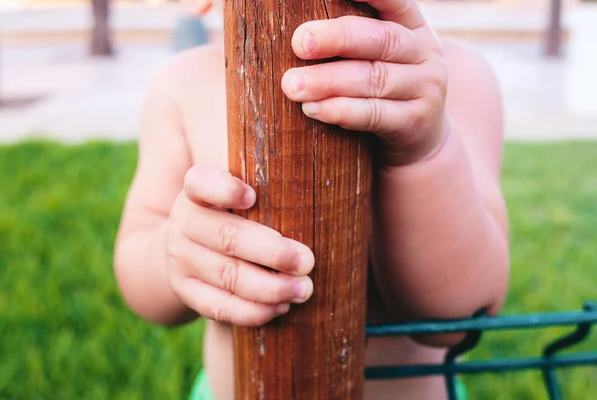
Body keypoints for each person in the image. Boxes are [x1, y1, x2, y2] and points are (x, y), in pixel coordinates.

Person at [113, 0, 510, 399]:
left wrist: (424, 152)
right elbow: (137, 261)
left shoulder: (455, 81)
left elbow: (461, 318)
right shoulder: (182, 84)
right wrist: (174, 255)